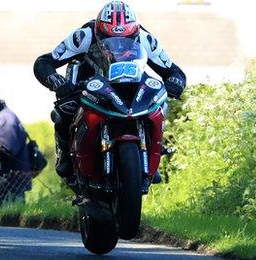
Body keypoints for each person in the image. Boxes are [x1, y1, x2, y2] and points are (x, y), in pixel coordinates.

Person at [33, 1, 186, 192]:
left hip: (130, 84)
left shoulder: (146, 39)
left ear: (135, 33)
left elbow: (174, 71)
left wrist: (175, 83)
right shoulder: (83, 36)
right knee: (65, 107)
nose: (118, 45)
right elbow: (45, 62)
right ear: (99, 31)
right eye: (109, 38)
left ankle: (150, 158)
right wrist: (57, 81)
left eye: (126, 39)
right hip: (89, 83)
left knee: (159, 105)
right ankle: (65, 156)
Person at [0, 87, 32, 205]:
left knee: (11, 217)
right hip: (0, 180)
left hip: (12, 180)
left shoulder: (6, 118)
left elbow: (8, 150)